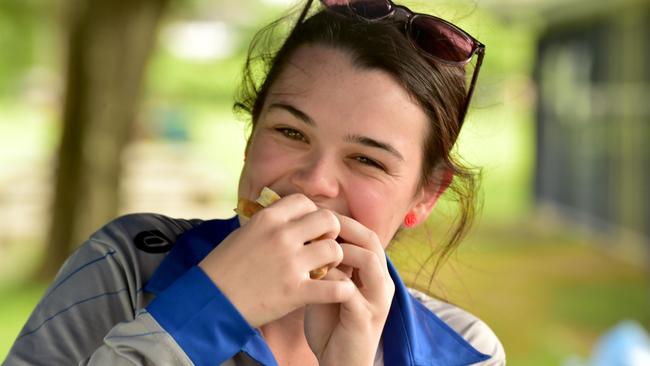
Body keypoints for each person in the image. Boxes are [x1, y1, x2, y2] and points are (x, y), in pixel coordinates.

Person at [4, 0, 505, 365]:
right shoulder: (124, 267)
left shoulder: (469, 349)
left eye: (366, 160)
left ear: (425, 196)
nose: (313, 183)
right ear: (250, 136)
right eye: (291, 131)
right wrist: (207, 311)